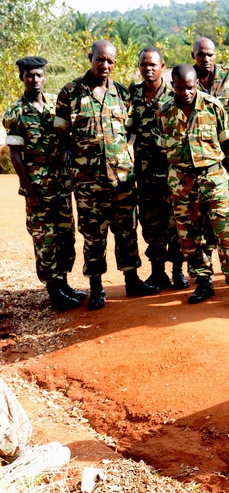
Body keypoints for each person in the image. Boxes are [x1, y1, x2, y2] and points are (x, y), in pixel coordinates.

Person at [54, 40, 160, 310]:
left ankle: (132, 280)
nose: (105, 65)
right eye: (100, 59)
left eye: (110, 61)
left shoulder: (123, 94)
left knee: (127, 233)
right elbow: (61, 136)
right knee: (93, 237)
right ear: (91, 57)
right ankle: (97, 288)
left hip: (122, 180)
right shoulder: (70, 93)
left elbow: (131, 132)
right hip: (88, 184)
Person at [155, 64, 229, 310]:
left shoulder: (213, 107)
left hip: (213, 181)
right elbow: (162, 150)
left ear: (196, 84)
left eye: (190, 87)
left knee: (226, 234)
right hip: (182, 186)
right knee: (189, 239)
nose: (185, 93)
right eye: (180, 88)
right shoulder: (165, 112)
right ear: (173, 87)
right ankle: (203, 281)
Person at [3, 56, 84, 311]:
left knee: (65, 235)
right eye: (29, 75)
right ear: (22, 78)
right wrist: (29, 190)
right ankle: (54, 293)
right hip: (37, 185)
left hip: (60, 183)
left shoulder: (55, 105)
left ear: (44, 77)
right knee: (44, 239)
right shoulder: (16, 112)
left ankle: (64, 284)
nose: (34, 80)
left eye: (38, 75)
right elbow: (16, 155)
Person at [127, 46, 186, 291]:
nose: (148, 69)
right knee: (151, 224)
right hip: (145, 174)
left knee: (175, 224)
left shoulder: (176, 93)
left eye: (153, 64)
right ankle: (157, 272)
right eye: (144, 65)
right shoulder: (133, 94)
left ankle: (178, 272)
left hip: (172, 173)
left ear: (163, 66)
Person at [192, 37, 229, 276]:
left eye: (210, 54)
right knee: (202, 208)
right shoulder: (187, 79)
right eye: (201, 55)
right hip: (201, 158)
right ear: (193, 55)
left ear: (216, 54)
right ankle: (205, 262)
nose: (206, 59)